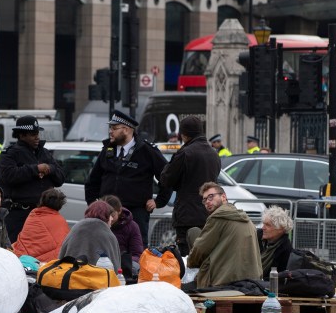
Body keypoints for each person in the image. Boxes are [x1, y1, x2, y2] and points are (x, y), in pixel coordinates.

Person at [85, 110, 170, 248]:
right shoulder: (107, 150)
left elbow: (167, 176)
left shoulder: (146, 151)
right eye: (110, 128)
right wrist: (93, 204)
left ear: (126, 129)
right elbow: (92, 181)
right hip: (108, 210)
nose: (110, 131)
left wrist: (158, 201)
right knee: (104, 247)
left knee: (136, 249)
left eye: (114, 128)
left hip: (136, 211)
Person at [0, 115, 65, 242]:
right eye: (33, 134)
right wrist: (35, 169)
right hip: (20, 215)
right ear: (21, 135)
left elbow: (60, 178)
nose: (37, 137)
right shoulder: (10, 154)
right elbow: (8, 176)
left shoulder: (44, 152)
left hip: (44, 213)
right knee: (17, 251)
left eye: (38, 133)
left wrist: (49, 169)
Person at [159, 116, 221, 256]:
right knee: (206, 256)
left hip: (187, 215)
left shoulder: (185, 153)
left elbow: (166, 179)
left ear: (183, 134)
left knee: (187, 257)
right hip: (208, 214)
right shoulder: (214, 154)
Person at [188, 182, 262, 288]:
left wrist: (190, 263)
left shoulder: (217, 217)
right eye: (204, 200)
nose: (207, 202)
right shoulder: (245, 218)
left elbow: (200, 249)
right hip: (252, 282)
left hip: (225, 282)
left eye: (211, 197)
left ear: (223, 197)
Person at [58, 200, 122, 271]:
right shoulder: (108, 235)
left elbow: (61, 256)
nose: (112, 218)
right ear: (106, 216)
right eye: (110, 216)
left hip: (71, 277)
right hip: (98, 280)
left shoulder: (76, 228)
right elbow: (115, 267)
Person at [13, 188, 70, 262]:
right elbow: (65, 246)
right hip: (48, 264)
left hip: (24, 260)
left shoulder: (33, 215)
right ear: (60, 205)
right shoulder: (61, 221)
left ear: (42, 201)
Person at [100, 195, 143, 276]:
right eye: (105, 215)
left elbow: (137, 254)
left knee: (134, 267)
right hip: (101, 263)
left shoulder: (132, 226)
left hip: (123, 264)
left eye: (112, 215)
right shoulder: (97, 225)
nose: (109, 219)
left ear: (119, 211)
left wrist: (121, 260)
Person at [258, 205, 294, 278]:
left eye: (268, 225)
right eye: (263, 224)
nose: (263, 228)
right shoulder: (258, 236)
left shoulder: (286, 250)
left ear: (280, 229)